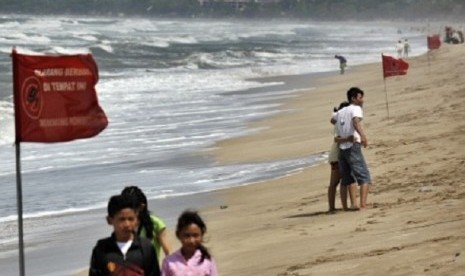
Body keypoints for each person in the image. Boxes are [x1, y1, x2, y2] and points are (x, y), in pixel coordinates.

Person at [89, 194, 161, 276]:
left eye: (131, 219)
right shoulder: (102, 249)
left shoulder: (146, 247)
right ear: (109, 220)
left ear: (137, 220)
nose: (127, 224)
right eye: (121, 219)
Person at [333, 87, 371, 209]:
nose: (362, 100)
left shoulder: (340, 112)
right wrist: (363, 136)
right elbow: (356, 122)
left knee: (346, 179)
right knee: (364, 176)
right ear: (353, 98)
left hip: (342, 148)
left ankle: (345, 207)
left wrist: (343, 129)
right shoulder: (356, 108)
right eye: (360, 98)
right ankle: (363, 205)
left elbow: (332, 120)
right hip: (353, 146)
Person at [122, 186, 172, 261]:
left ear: (141, 207)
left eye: (130, 208)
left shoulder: (156, 223)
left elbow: (169, 253)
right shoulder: (121, 226)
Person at [161, 210, 218, 276]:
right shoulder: (169, 262)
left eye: (195, 235)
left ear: (202, 235)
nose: (191, 240)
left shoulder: (207, 260)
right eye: (187, 235)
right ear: (178, 235)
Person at [327, 101, 356, 213]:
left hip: (342, 154)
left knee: (347, 180)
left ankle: (350, 204)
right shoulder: (341, 123)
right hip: (337, 156)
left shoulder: (342, 121)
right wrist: (348, 139)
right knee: (336, 182)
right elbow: (337, 139)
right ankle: (332, 207)